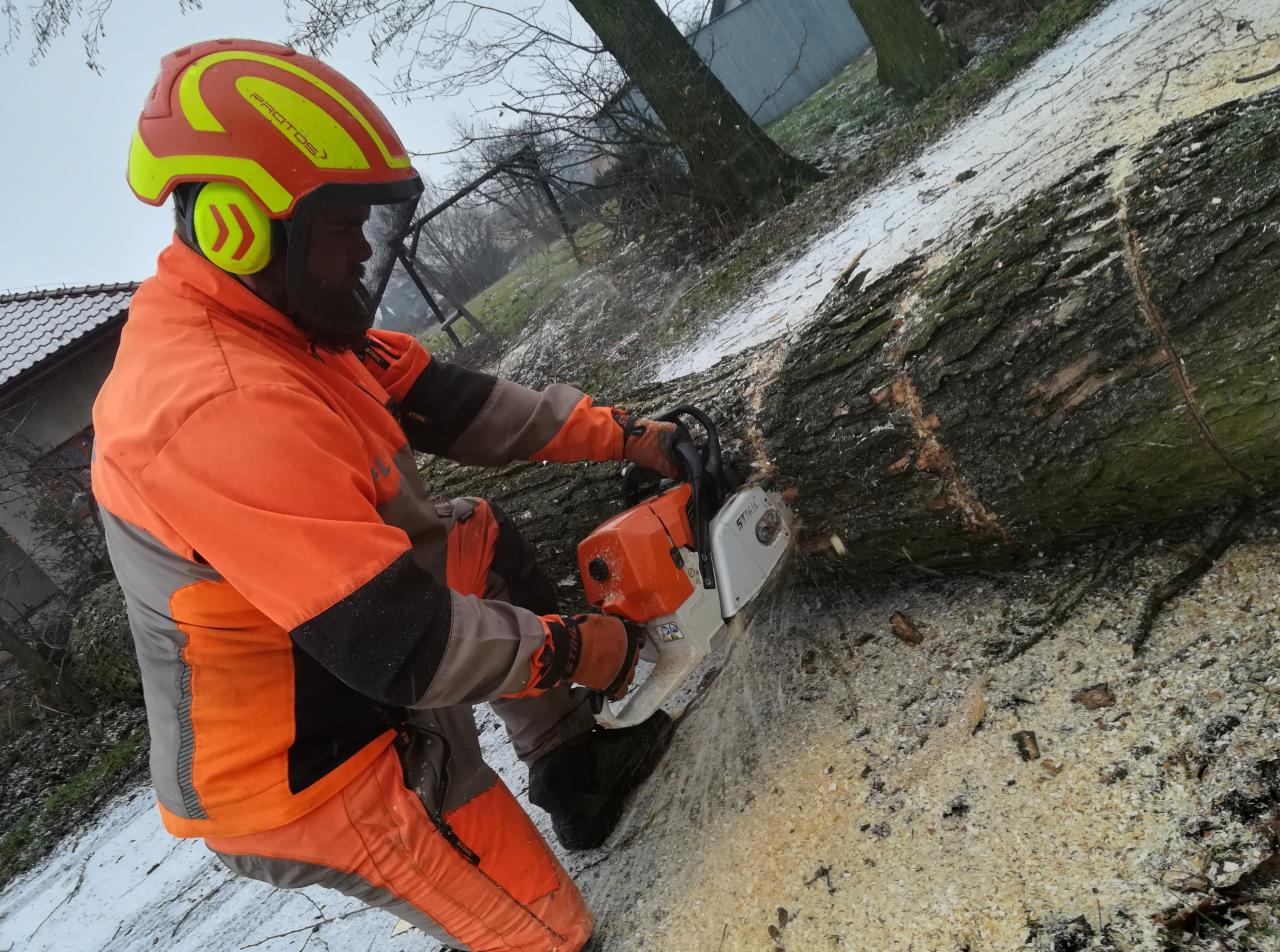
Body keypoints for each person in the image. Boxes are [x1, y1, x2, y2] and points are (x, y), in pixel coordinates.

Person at [91, 38, 682, 952]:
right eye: (343, 228)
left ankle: (579, 775)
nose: (365, 246)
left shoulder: (285, 320)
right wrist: (582, 649)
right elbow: (402, 645)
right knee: (548, 937)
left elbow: (467, 407)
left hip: (357, 644)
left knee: (475, 538)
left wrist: (628, 435)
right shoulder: (215, 404)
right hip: (313, 762)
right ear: (243, 227)